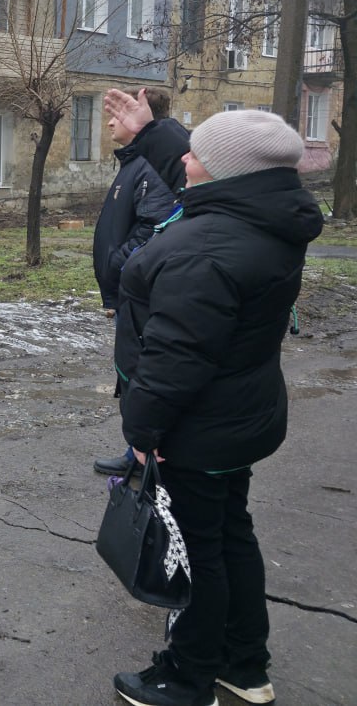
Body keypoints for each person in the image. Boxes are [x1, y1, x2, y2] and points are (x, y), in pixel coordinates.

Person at [101, 92, 324, 706]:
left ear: (224, 171)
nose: (184, 161)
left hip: (196, 429)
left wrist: (142, 432)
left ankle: (188, 675)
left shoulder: (206, 249)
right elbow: (200, 168)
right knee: (228, 534)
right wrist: (149, 131)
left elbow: (177, 360)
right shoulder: (263, 217)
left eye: (196, 153)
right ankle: (244, 665)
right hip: (239, 416)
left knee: (197, 551)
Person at [91, 87, 180, 477]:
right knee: (131, 370)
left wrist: (120, 266)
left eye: (117, 114)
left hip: (142, 290)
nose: (110, 122)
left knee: (143, 373)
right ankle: (139, 449)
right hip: (130, 289)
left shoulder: (149, 167)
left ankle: (148, 455)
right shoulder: (134, 162)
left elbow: (155, 227)